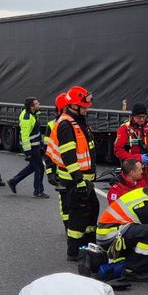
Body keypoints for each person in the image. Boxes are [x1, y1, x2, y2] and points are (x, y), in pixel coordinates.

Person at [95, 174, 148, 281]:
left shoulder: (146, 193)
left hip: (110, 231)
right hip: (110, 235)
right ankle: (134, 270)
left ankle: (132, 261)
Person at [47, 85, 99, 261]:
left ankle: (89, 245)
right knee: (78, 217)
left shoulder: (78, 121)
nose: (87, 109)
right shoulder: (66, 124)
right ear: (74, 106)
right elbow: (69, 156)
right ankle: (74, 252)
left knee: (92, 211)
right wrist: (79, 180)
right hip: (76, 180)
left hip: (85, 180)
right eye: (84, 106)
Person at [8, 97, 48, 198]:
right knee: (39, 168)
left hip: (35, 146)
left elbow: (35, 132)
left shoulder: (32, 114)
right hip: (31, 148)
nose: (39, 103)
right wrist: (28, 152)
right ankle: (38, 191)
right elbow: (25, 136)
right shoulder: (27, 117)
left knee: (32, 167)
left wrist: (41, 144)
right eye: (36, 103)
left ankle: (13, 181)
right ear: (32, 107)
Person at [113, 103, 148, 187]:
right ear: (132, 116)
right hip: (131, 171)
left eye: (144, 117)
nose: (142, 119)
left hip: (147, 170)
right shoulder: (124, 129)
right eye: (139, 117)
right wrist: (139, 158)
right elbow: (118, 151)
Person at [44, 92, 70, 236]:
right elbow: (49, 153)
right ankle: (69, 229)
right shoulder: (52, 125)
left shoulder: (79, 123)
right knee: (65, 203)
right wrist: (50, 172)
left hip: (78, 172)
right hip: (62, 172)